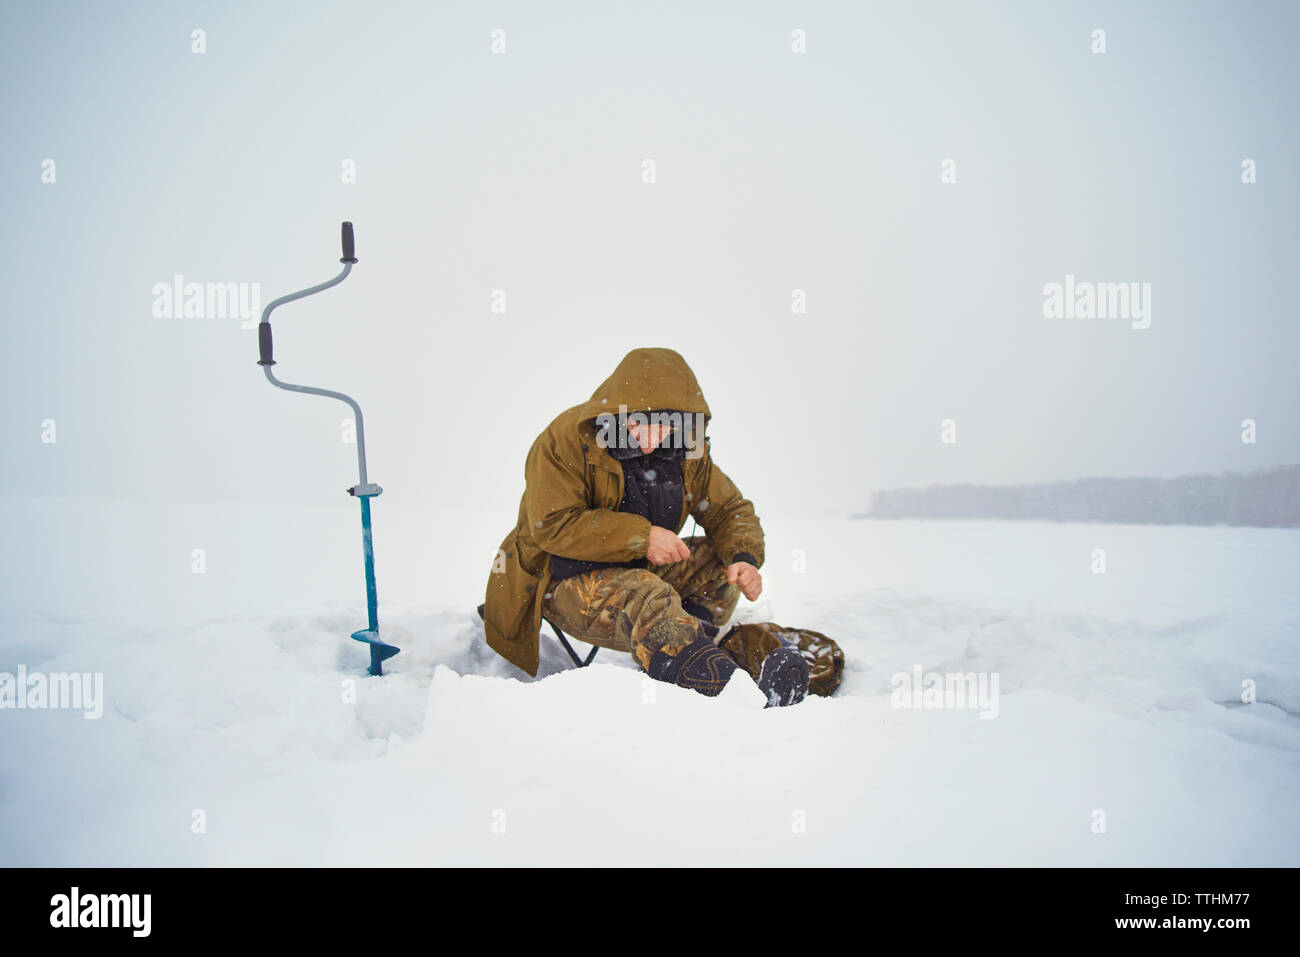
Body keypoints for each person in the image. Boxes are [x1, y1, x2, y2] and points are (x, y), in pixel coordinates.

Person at [480, 347, 811, 706]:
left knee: (718, 562)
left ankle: (735, 659)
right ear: (620, 413)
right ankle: (720, 689)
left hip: (644, 572)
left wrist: (744, 557)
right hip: (561, 582)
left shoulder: (686, 448)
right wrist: (642, 538)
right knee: (645, 592)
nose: (652, 439)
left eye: (664, 427)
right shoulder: (568, 440)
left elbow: (728, 509)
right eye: (641, 426)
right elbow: (552, 525)